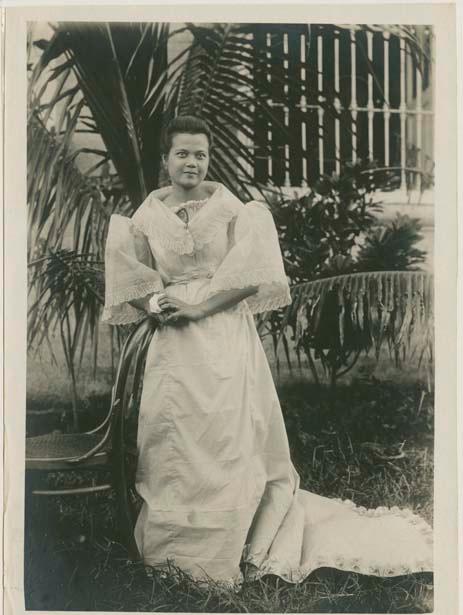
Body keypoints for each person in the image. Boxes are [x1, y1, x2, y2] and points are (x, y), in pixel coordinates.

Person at [102, 115, 433, 589]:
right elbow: (129, 274)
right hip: (171, 342)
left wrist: (198, 309)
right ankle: (170, 547)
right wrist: (155, 302)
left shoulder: (230, 209)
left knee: (226, 433)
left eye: (200, 153)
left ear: (208, 158)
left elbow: (250, 277)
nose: (191, 162)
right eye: (182, 153)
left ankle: (229, 545)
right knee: (172, 433)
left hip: (222, 333)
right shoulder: (148, 213)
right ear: (165, 160)